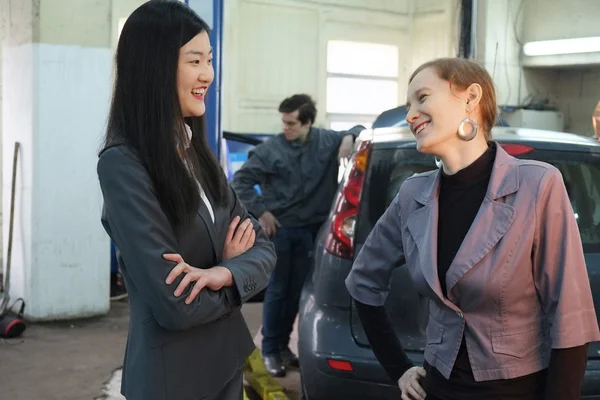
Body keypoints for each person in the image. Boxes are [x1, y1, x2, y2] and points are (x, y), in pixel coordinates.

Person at [345, 57, 600, 400]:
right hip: (437, 387)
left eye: (422, 98)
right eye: (408, 106)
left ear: (471, 97)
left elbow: (570, 318)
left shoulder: (537, 185)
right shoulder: (413, 195)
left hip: (517, 391)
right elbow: (363, 280)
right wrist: (399, 368)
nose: (410, 115)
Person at [96, 2, 276, 399]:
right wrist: (234, 274)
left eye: (209, 60)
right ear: (154, 68)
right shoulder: (124, 165)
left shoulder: (197, 155)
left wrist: (223, 273)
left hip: (225, 363)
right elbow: (176, 305)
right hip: (172, 380)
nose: (208, 74)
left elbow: (263, 250)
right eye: (195, 60)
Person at [232, 94, 364, 376]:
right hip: (281, 231)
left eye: (292, 123)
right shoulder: (270, 151)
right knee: (278, 291)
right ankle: (269, 350)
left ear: (307, 123)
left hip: (313, 232)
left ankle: (283, 348)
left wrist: (349, 138)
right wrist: (262, 212)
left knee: (298, 293)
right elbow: (241, 181)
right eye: (284, 122)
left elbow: (362, 130)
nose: (286, 128)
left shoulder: (327, 141)